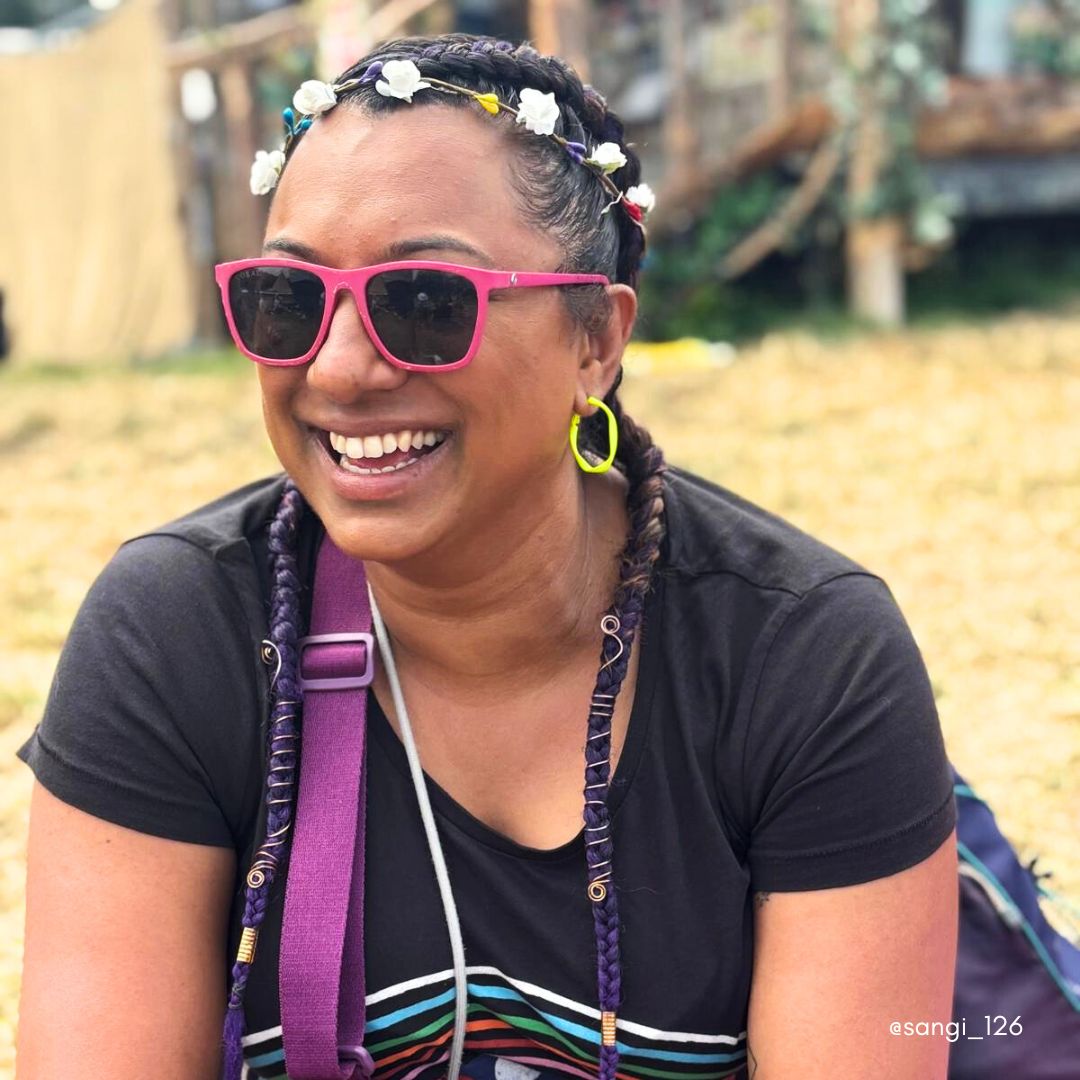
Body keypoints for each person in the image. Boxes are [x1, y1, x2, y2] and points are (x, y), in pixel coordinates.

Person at [15, 33, 959, 1080]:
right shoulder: (179, 637)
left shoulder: (805, 659)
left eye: (425, 301)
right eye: (287, 302)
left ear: (595, 340)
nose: (340, 367)